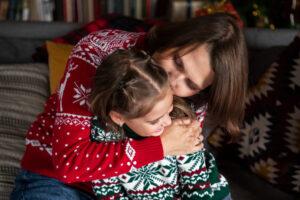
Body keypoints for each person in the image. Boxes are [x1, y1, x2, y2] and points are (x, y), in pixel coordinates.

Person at [10, 13, 247, 200]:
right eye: (177, 61)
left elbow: (180, 167)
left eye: (191, 83)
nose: (172, 82)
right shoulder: (98, 52)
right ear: (173, 39)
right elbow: (69, 164)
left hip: (132, 191)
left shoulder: (196, 97)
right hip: (59, 180)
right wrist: (160, 146)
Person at [89, 49, 230, 199]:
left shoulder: (179, 120)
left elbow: (197, 185)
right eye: (155, 120)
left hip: (207, 193)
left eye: (168, 110)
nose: (168, 122)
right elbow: (108, 192)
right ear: (118, 117)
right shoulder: (103, 136)